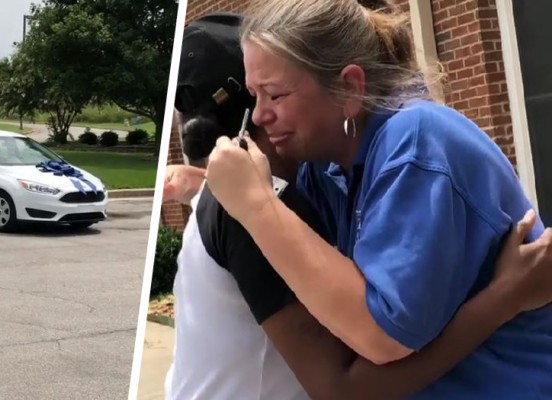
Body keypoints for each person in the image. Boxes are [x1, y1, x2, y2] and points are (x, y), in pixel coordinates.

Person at [165, 10, 552, 400]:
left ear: (349, 88)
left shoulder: (416, 144)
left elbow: (382, 337)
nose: (262, 116)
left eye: (276, 94)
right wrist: (199, 179)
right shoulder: (330, 166)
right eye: (255, 96)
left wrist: (257, 205)